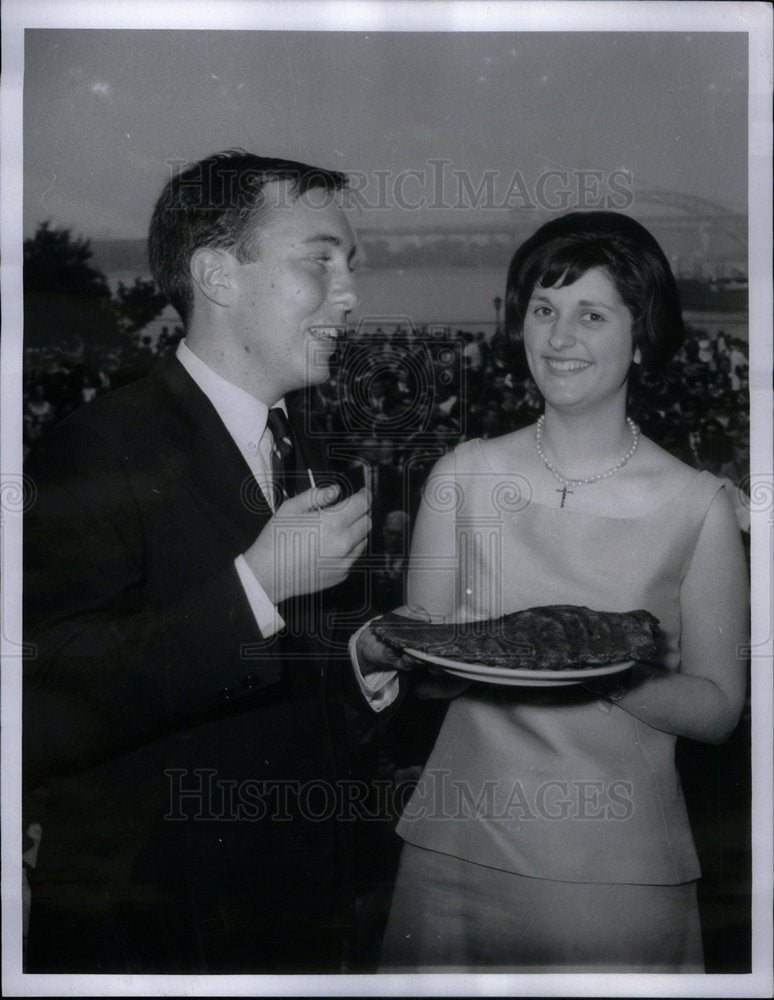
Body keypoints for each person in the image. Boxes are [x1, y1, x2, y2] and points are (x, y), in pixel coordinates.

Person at [352, 211, 749, 973]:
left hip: (616, 871)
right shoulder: (462, 476)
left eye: (591, 315)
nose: (559, 338)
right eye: (544, 311)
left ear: (641, 336)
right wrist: (378, 647)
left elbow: (718, 710)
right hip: (454, 850)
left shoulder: (699, 505)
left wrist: (605, 671)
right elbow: (423, 646)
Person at [23, 150, 371, 974]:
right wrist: (259, 586)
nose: (351, 293)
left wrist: (367, 666)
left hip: (288, 908)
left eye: (350, 266)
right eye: (319, 260)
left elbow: (296, 686)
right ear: (216, 274)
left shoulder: (313, 442)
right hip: (155, 922)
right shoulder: (98, 444)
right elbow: (50, 701)